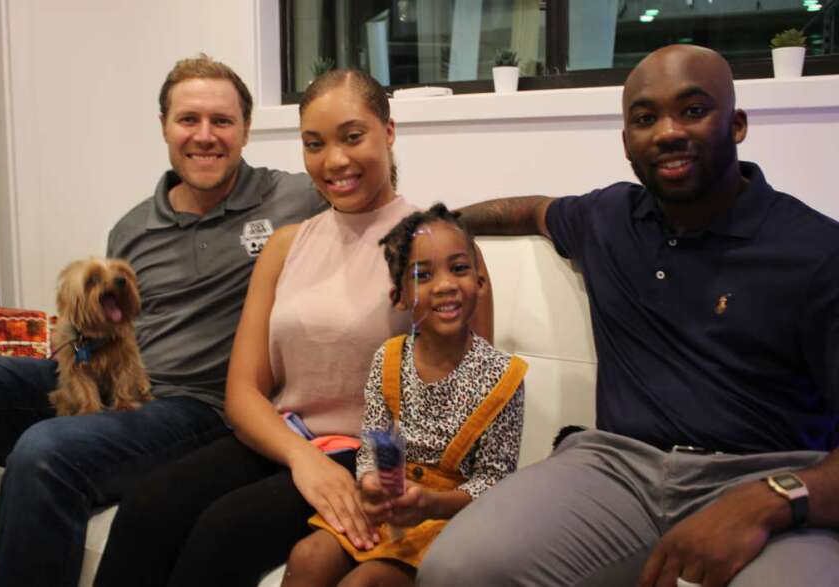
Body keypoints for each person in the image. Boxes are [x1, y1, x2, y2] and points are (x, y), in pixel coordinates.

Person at [417, 44, 839, 587]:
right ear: (626, 143)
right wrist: (430, 231)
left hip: (768, 474)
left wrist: (772, 499)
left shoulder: (816, 252)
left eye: (692, 110)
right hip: (615, 469)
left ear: (736, 125)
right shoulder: (609, 217)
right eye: (645, 118)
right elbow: (527, 209)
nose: (666, 132)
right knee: (456, 569)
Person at [92, 70, 494, 587]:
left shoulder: (437, 248)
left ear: (388, 132)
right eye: (314, 144)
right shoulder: (285, 245)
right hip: (289, 441)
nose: (335, 161)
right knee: (148, 507)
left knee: (223, 532)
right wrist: (304, 460)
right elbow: (242, 393)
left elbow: (469, 398)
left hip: (378, 456)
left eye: (353, 137)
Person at [0, 54, 326, 587]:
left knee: (45, 451)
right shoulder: (132, 229)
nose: (205, 136)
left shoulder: (294, 196)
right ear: (163, 127)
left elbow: (375, 196)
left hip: (194, 406)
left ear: (246, 129)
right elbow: (106, 329)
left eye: (222, 121)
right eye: (188, 120)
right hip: (112, 378)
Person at [282, 203, 526, 587]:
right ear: (400, 297)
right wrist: (370, 482)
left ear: (480, 283)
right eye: (423, 275)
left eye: (459, 269)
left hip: (450, 519)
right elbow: (370, 446)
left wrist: (431, 503)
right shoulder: (388, 358)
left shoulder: (503, 376)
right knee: (307, 556)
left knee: (364, 582)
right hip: (388, 507)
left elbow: (494, 483)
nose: (445, 284)